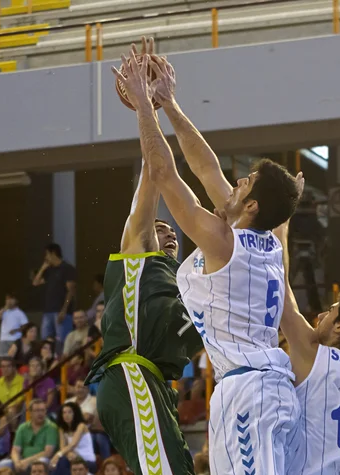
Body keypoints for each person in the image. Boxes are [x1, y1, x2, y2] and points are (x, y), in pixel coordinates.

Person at [116, 40, 301, 473]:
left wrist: (145, 106)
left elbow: (164, 173)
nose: (236, 181)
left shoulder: (225, 240)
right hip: (263, 386)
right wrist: (170, 104)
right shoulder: (264, 237)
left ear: (251, 204)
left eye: (247, 181)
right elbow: (206, 169)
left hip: (249, 390)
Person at [86, 36, 203, 475]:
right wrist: (147, 110)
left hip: (152, 384)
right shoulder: (139, 257)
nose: (166, 232)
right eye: (159, 229)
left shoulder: (185, 286)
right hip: (131, 374)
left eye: (171, 231)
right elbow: (154, 177)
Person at [275, 218, 340, 473]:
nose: (320, 316)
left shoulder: (316, 357)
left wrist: (281, 221)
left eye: (330, 311)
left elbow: (282, 293)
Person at [32, 243, 77, 354]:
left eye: (47, 254)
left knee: (61, 341)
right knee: (45, 341)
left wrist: (64, 310)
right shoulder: (49, 270)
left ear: (53, 253)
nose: (45, 258)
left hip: (61, 311)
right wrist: (42, 268)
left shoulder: (67, 268)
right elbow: (35, 282)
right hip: (48, 310)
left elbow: (71, 291)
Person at [0, 399, 58, 474]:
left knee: (42, 462)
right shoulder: (22, 427)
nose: (40, 413)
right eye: (37, 411)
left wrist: (28, 461)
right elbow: (15, 450)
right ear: (30, 413)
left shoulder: (51, 427)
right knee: (4, 464)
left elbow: (48, 452)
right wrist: (17, 462)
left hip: (41, 460)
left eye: (43, 410)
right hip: (23, 460)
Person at [50, 402, 96, 475]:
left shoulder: (81, 426)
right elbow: (62, 447)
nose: (66, 415)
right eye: (64, 412)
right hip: (71, 459)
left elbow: (73, 444)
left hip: (86, 461)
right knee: (61, 462)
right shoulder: (62, 428)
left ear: (75, 414)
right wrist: (68, 454)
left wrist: (57, 455)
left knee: (61, 461)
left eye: (69, 412)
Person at [0, 293, 29, 357]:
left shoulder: (20, 313)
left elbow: (26, 326)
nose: (9, 301)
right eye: (7, 299)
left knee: (14, 358)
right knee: (1, 358)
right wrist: (1, 312)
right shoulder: (4, 311)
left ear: (16, 301)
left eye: (11, 299)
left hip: (15, 339)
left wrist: (16, 330)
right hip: (3, 339)